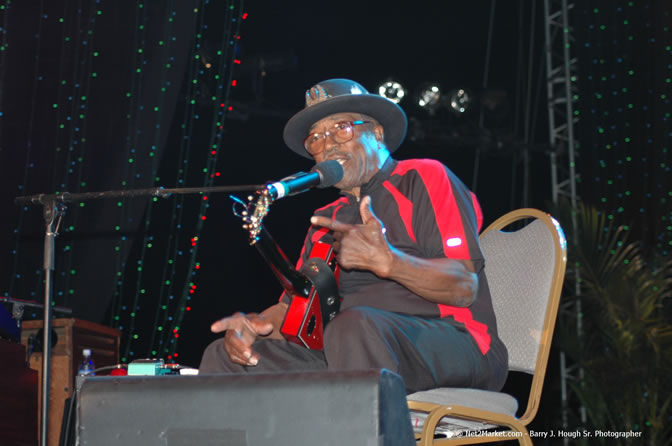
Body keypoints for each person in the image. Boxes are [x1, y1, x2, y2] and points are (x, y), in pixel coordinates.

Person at [199, 78, 508, 393]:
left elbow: (464, 285)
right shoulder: (325, 220)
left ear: (376, 133)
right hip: (351, 350)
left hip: (455, 341)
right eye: (316, 139)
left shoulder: (422, 178)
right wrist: (253, 327)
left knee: (352, 327)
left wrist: (391, 262)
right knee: (225, 359)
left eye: (341, 129)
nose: (328, 144)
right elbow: (299, 310)